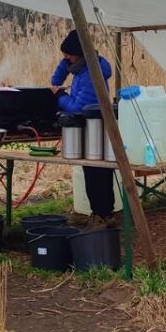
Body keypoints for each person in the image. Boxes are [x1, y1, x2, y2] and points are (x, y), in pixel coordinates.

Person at [50, 30, 115, 226]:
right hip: (90, 127)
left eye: (68, 54)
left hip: (96, 127)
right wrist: (65, 65)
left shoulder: (91, 75)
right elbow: (55, 80)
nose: (65, 58)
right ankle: (100, 214)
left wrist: (59, 96)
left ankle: (103, 215)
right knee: (91, 170)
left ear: (79, 53)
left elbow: (79, 108)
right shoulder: (80, 67)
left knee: (98, 172)